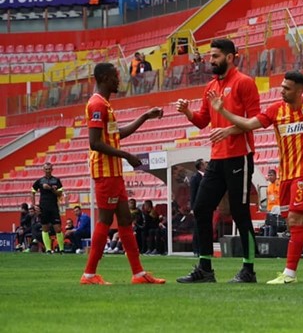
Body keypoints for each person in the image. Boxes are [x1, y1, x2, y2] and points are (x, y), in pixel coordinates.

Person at [208, 69, 303, 284]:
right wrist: (224, 115)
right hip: (285, 175)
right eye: (282, 87)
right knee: (294, 225)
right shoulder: (276, 110)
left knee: (295, 221)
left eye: (287, 88)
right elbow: (248, 125)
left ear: (299, 90)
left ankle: (290, 274)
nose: (282, 91)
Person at [175, 38, 261, 284]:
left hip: (239, 157)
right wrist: (187, 112)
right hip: (217, 158)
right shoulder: (210, 86)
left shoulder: (244, 82)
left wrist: (229, 131)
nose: (210, 60)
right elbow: (203, 121)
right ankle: (205, 269)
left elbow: (256, 120)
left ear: (230, 57)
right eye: (210, 56)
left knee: (239, 212)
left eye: (215, 56)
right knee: (201, 207)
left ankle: (248, 270)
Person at [80, 62, 165, 285]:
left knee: (126, 219)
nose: (118, 80)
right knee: (106, 220)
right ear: (104, 78)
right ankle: (89, 274)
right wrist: (126, 155)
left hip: (114, 173)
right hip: (105, 172)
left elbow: (116, 135)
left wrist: (145, 116)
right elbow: (94, 143)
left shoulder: (105, 104)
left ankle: (138, 274)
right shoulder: (97, 104)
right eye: (115, 77)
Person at [31, 162, 65, 254]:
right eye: (46, 169)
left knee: (58, 228)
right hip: (43, 207)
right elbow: (32, 191)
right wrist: (34, 205)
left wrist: (50, 188)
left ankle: (62, 249)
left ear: (52, 169)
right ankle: (48, 249)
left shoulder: (56, 180)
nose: (48, 171)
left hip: (53, 207)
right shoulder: (40, 181)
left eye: (49, 169)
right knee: (45, 228)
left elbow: (60, 194)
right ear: (43, 170)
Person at [189, 159, 206, 256]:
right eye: (204, 163)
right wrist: (193, 208)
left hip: (204, 206)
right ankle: (196, 249)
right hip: (197, 206)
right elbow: (193, 194)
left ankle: (204, 250)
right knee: (197, 228)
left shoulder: (206, 176)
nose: (206, 165)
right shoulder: (195, 178)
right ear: (201, 166)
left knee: (203, 228)